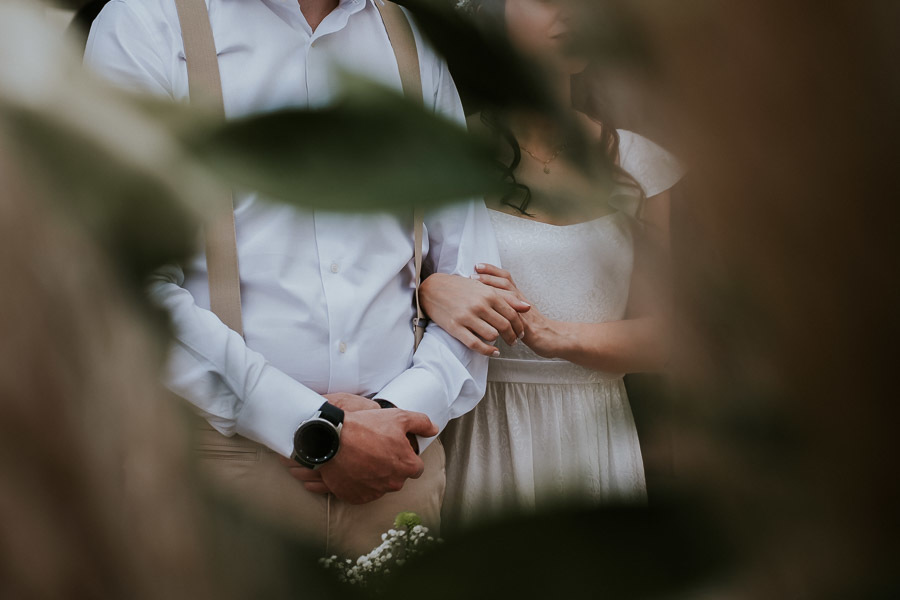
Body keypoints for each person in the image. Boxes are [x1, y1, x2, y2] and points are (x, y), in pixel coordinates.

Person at [84, 0, 513, 557]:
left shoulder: (410, 37)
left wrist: (397, 417)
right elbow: (122, 279)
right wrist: (308, 427)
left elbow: (472, 275)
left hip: (398, 473)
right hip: (226, 470)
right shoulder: (147, 22)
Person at [418, 0, 684, 529]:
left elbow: (668, 338)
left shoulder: (637, 163)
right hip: (481, 424)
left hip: (595, 430)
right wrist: (430, 291)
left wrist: (551, 334)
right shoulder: (441, 158)